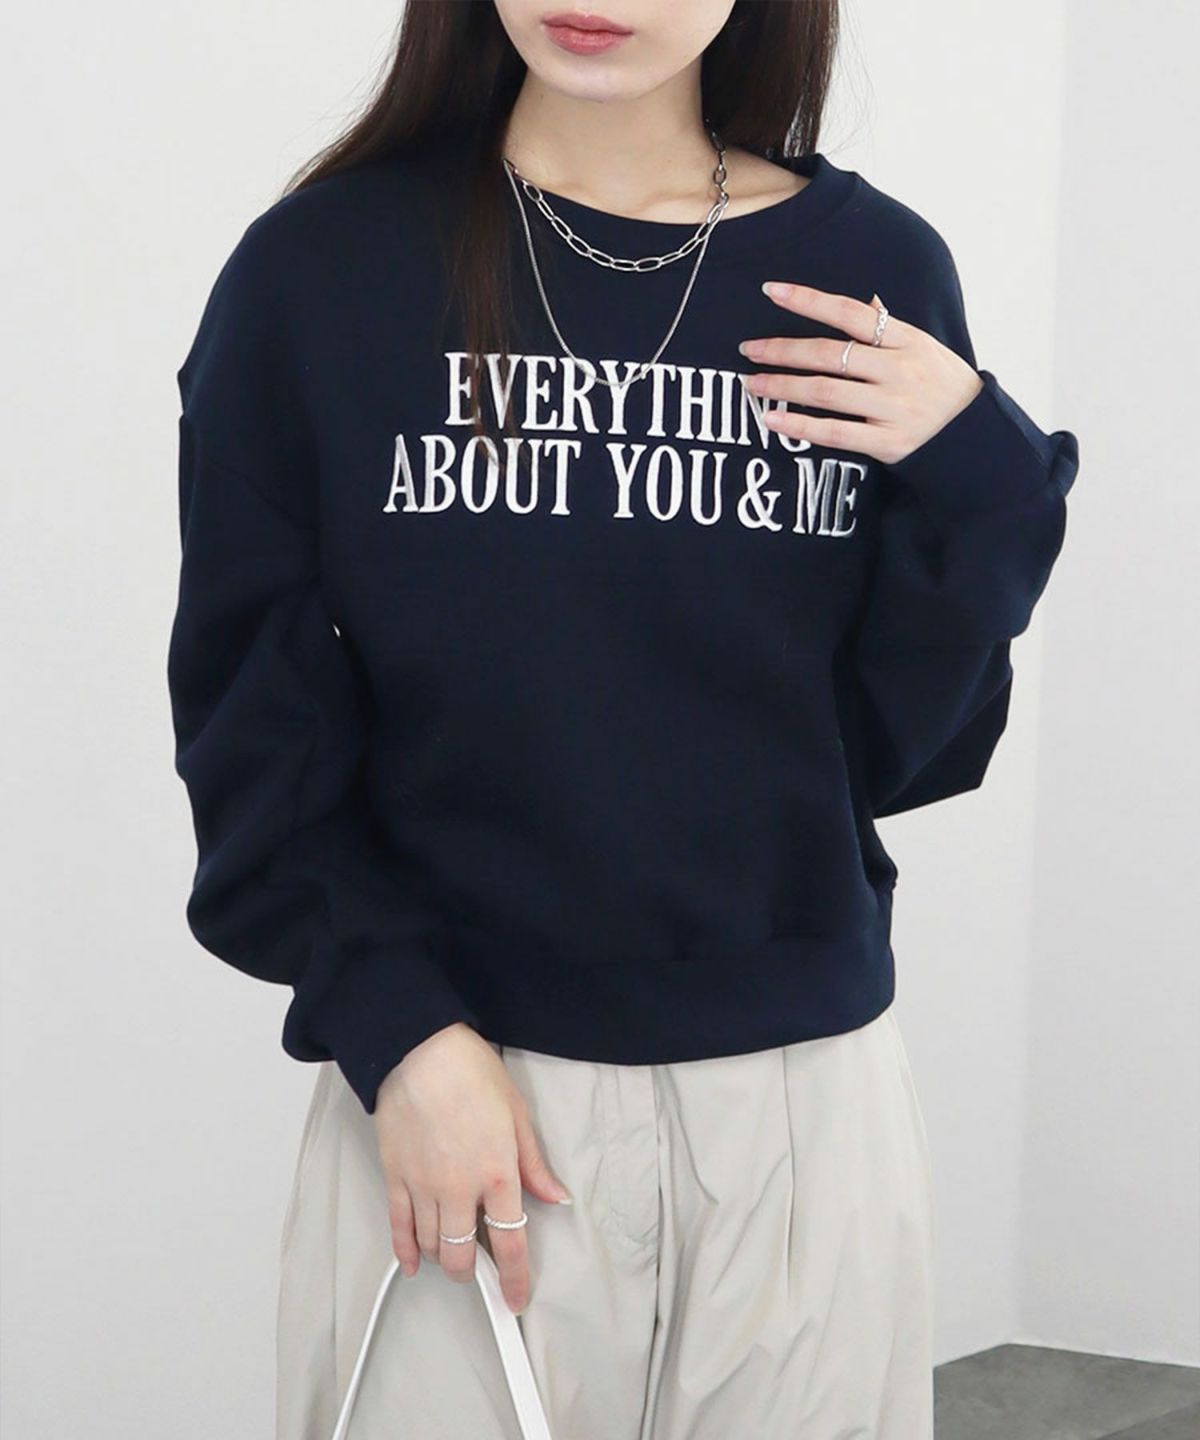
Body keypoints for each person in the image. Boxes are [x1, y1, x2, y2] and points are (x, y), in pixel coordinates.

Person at [166, 2, 1080, 1437]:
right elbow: (251, 717)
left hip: (797, 1110)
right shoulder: (322, 273)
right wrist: (402, 1032)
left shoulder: (870, 276)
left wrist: (989, 478)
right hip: (458, 1087)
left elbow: (904, 747)